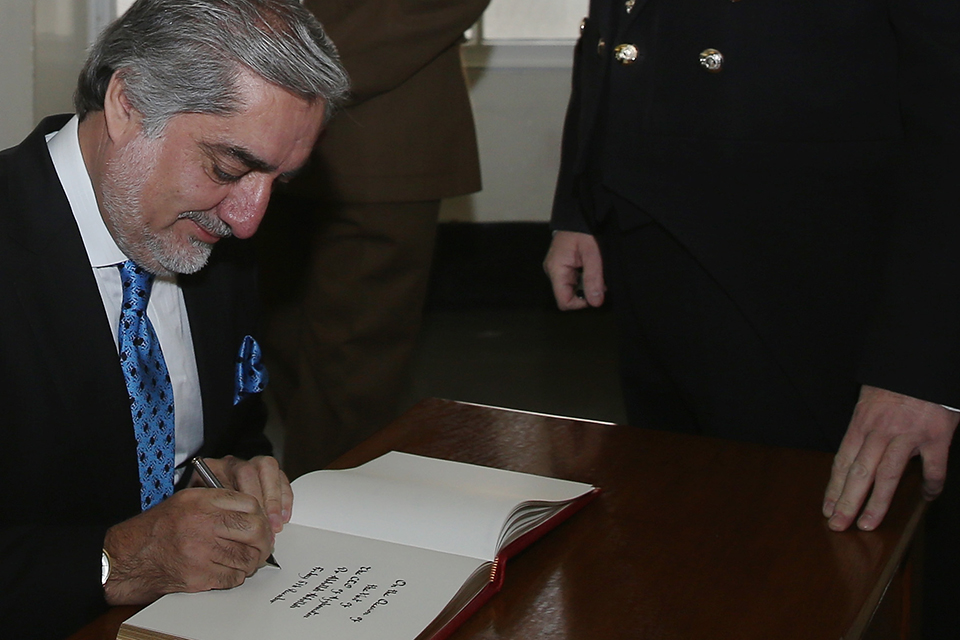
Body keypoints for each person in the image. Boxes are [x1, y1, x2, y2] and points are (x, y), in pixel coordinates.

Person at [543, 0, 959, 634]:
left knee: (831, 568)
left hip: (817, 274)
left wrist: (924, 365)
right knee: (686, 535)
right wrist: (580, 196)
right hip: (645, 233)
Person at [0, 1, 348, 637]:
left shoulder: (203, 233)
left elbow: (231, 429)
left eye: (280, 181)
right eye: (227, 167)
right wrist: (116, 561)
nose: (250, 220)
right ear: (128, 104)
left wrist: (224, 469)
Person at [256, 0, 490, 478]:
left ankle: (325, 518)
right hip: (263, 130)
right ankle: (310, 495)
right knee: (280, 343)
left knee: (350, 372)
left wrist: (288, 62)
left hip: (382, 135)